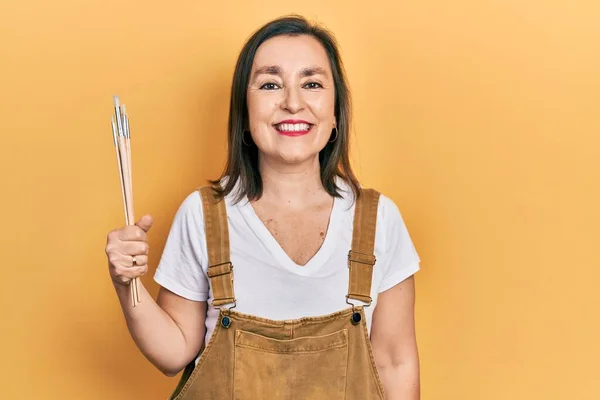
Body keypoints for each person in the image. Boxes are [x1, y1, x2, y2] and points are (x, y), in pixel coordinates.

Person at [105, 15, 421, 400]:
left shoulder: (379, 220)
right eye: (270, 84)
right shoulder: (204, 215)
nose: (292, 102)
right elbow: (173, 353)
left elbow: (394, 363)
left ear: (335, 112)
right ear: (245, 112)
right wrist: (127, 283)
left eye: (312, 84)